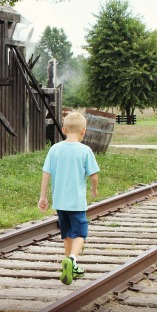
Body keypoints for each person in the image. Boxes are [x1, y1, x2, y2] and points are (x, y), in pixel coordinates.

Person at [38, 111, 99, 285]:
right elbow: (93, 175)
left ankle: (69, 266)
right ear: (84, 131)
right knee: (80, 233)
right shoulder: (85, 150)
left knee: (67, 234)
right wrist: (94, 190)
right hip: (77, 202)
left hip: (60, 202)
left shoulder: (54, 149)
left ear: (64, 130)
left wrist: (43, 196)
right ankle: (72, 259)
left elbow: (46, 173)